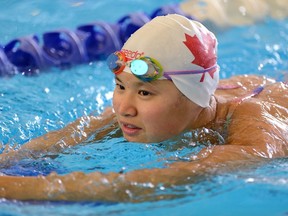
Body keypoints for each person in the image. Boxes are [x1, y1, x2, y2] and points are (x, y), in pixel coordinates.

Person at [0, 14, 287, 202]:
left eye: (145, 92)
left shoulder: (255, 138)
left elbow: (157, 183)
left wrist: (14, 188)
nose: (124, 107)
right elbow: (74, 133)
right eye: (120, 86)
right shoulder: (150, 107)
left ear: (193, 97)